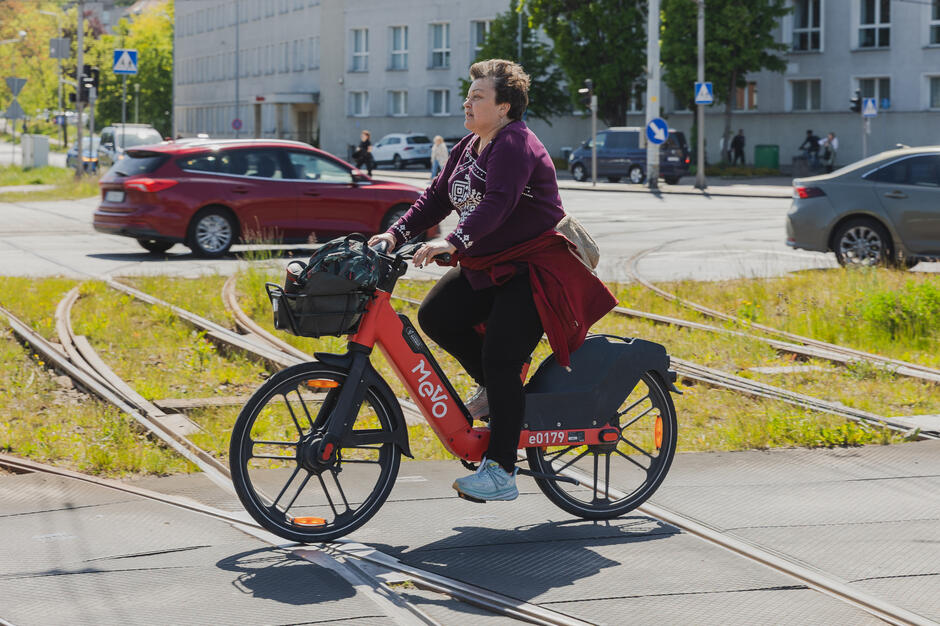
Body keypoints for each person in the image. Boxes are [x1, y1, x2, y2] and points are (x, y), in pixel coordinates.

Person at [368, 59, 616, 503]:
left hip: (533, 270)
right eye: (469, 94)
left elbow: (498, 203)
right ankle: (498, 393)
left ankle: (502, 471)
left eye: (478, 95)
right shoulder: (470, 146)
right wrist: (394, 233)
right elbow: (435, 198)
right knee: (437, 315)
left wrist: (453, 241)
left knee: (502, 359)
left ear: (504, 107)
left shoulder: (517, 144)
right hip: (490, 263)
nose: (467, 101)